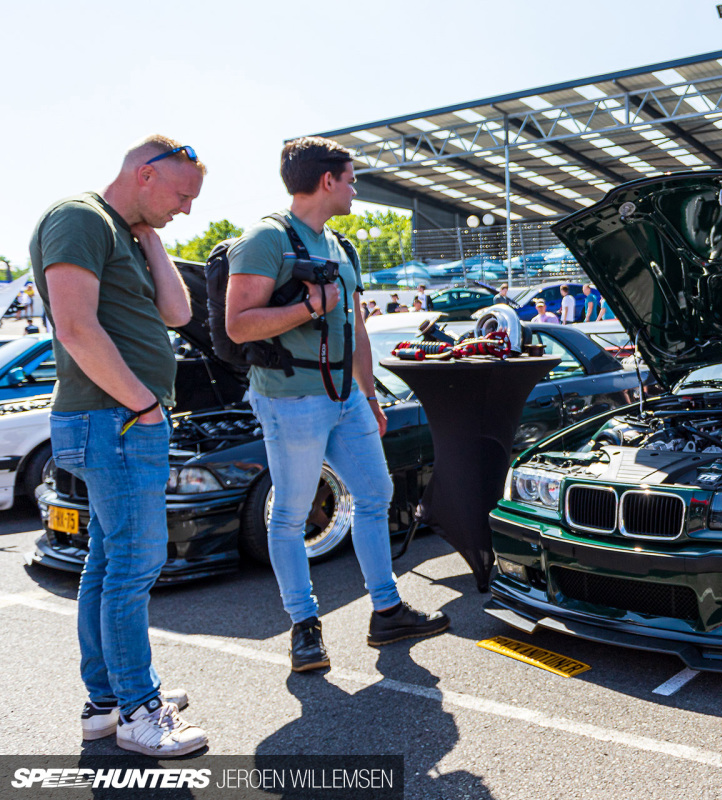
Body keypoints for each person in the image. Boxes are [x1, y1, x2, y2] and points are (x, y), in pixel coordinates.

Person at [225, 137, 448, 674]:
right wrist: (310, 303)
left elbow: (356, 327)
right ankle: (304, 628)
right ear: (327, 181)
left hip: (345, 398)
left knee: (375, 494)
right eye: (350, 179)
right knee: (291, 516)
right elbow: (237, 325)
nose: (354, 189)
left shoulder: (342, 247)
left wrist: (369, 395)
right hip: (291, 398)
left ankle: (387, 610)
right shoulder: (265, 239)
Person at [30, 135, 207, 756]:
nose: (186, 209)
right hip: (116, 420)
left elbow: (178, 313)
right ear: (144, 173)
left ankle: (106, 703)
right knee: (133, 568)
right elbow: (75, 326)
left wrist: (152, 236)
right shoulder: (78, 217)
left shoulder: (124, 231)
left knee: (108, 567)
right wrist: (145, 405)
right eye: (181, 196)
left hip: (118, 420)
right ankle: (139, 709)